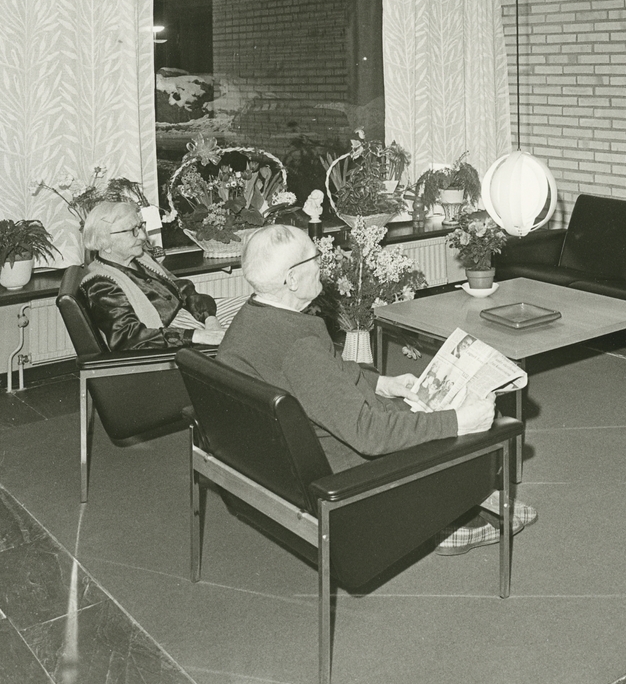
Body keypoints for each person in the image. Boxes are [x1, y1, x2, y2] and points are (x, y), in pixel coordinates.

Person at [216, 224, 536, 555]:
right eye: (315, 258)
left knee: (447, 408)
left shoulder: (251, 319)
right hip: (350, 476)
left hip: (296, 461)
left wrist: (382, 383)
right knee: (481, 417)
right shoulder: (299, 349)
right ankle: (455, 518)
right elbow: (370, 435)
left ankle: (465, 500)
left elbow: (321, 375)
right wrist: (458, 422)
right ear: (292, 279)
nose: (322, 266)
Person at [81, 201, 227, 350]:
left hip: (193, 318)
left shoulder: (140, 259)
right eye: (132, 230)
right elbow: (129, 338)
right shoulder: (101, 284)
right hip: (171, 340)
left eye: (140, 226)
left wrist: (210, 319)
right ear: (105, 242)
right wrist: (198, 336)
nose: (143, 236)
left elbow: (181, 289)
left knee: (243, 313)